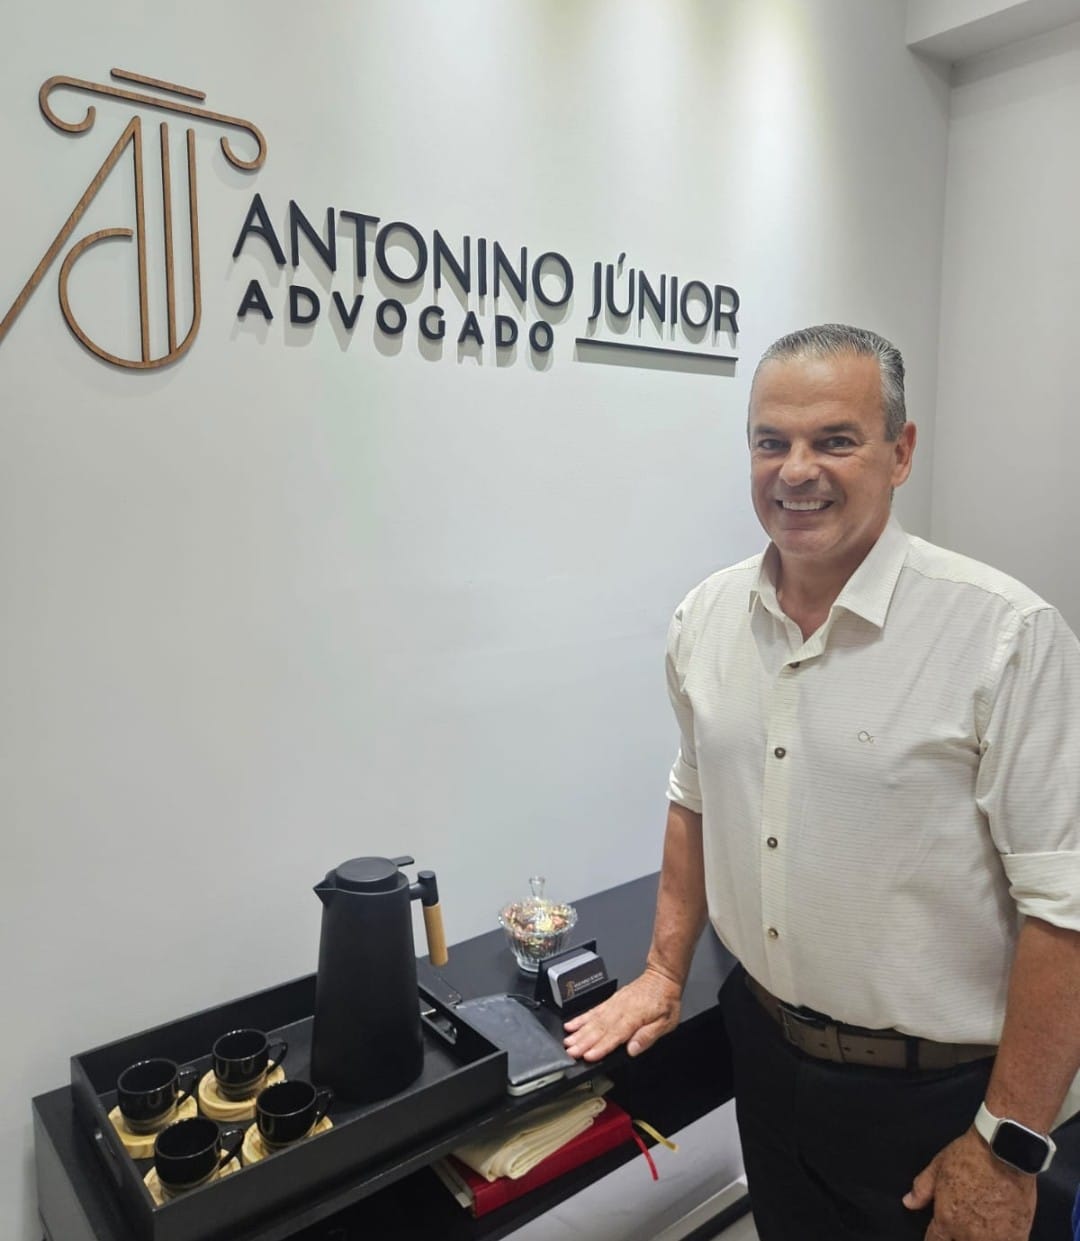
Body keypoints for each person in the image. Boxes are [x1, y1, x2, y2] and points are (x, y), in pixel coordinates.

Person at [563, 324, 1080, 1241]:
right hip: (765, 1057)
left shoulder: (1007, 636)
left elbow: (1065, 906)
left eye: (835, 439)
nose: (796, 470)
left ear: (901, 451)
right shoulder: (706, 617)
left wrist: (1007, 1146)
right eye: (773, 441)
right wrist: (662, 969)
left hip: (948, 1097)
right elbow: (693, 793)